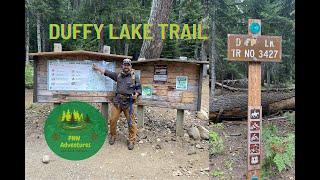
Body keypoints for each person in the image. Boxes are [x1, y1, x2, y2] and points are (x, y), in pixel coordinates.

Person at [92, 59, 141, 150]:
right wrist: (97, 68)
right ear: (122, 66)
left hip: (128, 102)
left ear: (130, 66)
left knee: (131, 122)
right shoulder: (118, 75)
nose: (126, 66)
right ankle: (113, 135)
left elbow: (139, 89)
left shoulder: (135, 77)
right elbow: (107, 72)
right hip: (117, 101)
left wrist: (136, 95)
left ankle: (131, 140)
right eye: (125, 65)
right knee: (112, 120)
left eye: (128, 65)